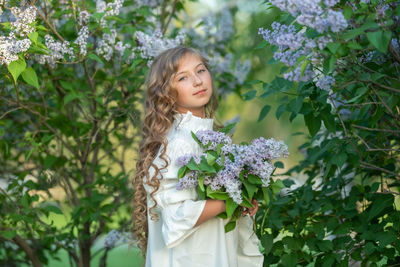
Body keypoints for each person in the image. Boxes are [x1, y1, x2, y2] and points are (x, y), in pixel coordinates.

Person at [132, 46, 263, 267]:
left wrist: (243, 200)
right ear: (166, 92)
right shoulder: (179, 144)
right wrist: (231, 200)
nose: (197, 81)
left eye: (200, 70)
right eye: (183, 77)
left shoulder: (210, 139)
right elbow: (175, 216)